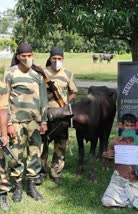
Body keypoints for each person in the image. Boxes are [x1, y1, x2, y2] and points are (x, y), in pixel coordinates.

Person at [4, 42, 48, 202]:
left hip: (34, 123)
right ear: (18, 57)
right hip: (16, 122)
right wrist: (8, 123)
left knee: (35, 154)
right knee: (16, 155)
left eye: (30, 55)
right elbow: (5, 99)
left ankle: (31, 186)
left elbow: (43, 99)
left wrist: (44, 121)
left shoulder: (38, 75)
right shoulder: (9, 73)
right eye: (24, 56)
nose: (28, 58)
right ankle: (17, 187)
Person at [101, 113, 138, 214]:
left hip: (133, 179)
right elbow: (108, 157)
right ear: (122, 126)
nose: (129, 128)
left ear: (135, 126)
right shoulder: (115, 142)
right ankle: (131, 201)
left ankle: (131, 199)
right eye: (127, 125)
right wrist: (105, 155)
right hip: (118, 178)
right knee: (107, 201)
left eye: (132, 126)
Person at [40, 47, 78, 185]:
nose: (57, 61)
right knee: (42, 144)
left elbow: (73, 91)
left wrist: (68, 101)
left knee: (60, 145)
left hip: (61, 115)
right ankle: (41, 172)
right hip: (44, 115)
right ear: (50, 58)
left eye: (59, 59)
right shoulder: (42, 72)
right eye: (54, 58)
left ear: (63, 59)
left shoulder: (67, 73)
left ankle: (56, 173)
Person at [0, 80, 10, 211]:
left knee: (0, 163)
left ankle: (2, 193)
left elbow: (2, 111)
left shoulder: (1, 86)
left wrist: (4, 134)